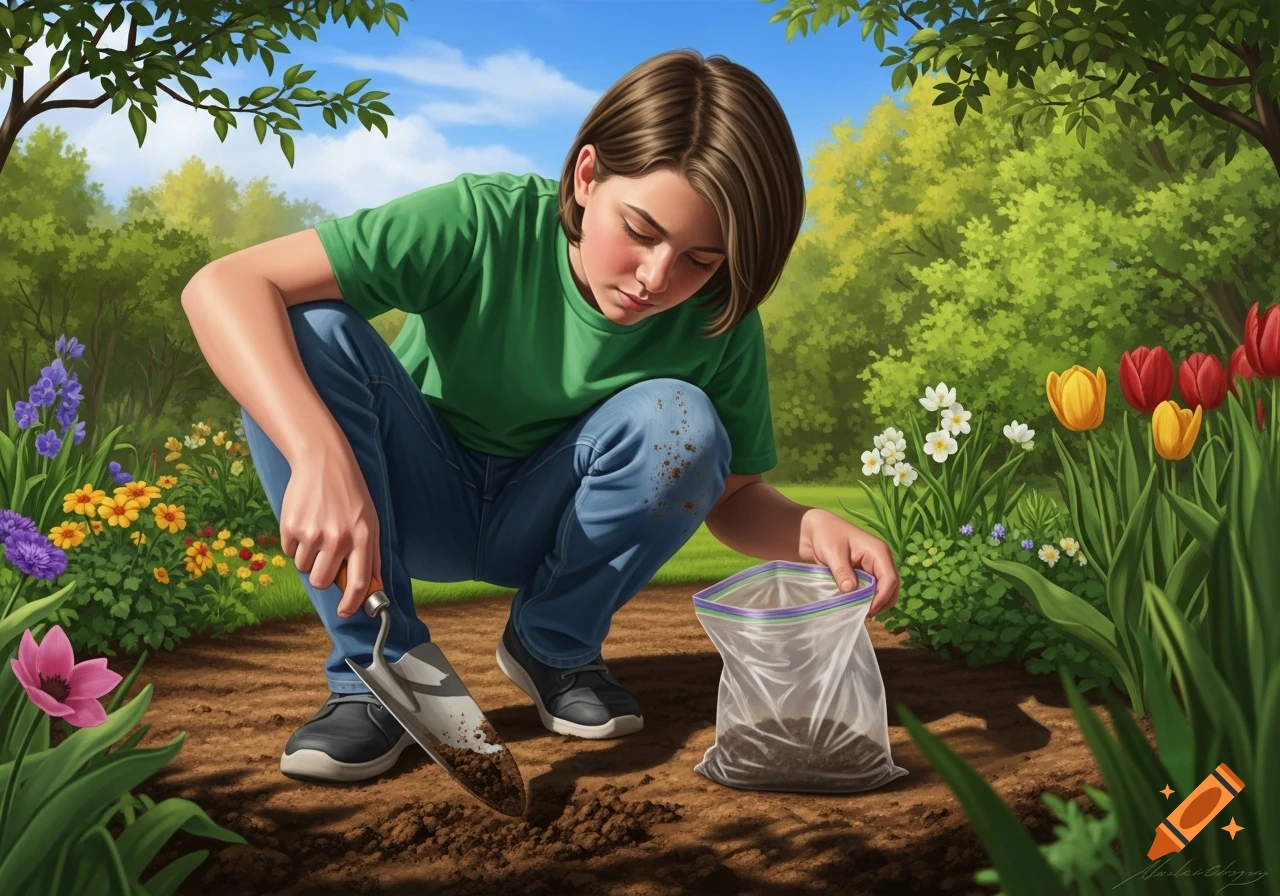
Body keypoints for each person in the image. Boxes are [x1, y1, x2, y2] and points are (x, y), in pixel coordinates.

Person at [181, 49, 900, 784]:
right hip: (403, 501)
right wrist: (318, 454)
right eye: (641, 230)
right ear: (587, 177)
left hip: (554, 528)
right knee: (309, 328)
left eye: (700, 260)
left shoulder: (718, 319)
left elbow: (731, 494)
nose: (656, 278)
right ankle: (377, 671)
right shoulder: (481, 220)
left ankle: (553, 644)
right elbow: (223, 286)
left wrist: (809, 527)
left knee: (682, 418)